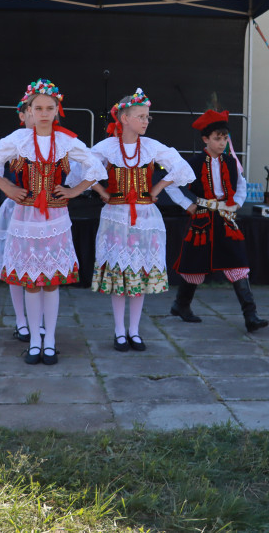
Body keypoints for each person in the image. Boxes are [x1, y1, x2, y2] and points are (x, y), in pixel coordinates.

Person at [0, 79, 103, 365]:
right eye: (38, 107)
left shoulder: (66, 141)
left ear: (58, 110)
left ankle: (50, 340)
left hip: (55, 217)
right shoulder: (18, 140)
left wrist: (74, 191)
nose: (44, 113)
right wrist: (7, 187)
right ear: (28, 110)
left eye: (49, 108)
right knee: (31, 281)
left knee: (51, 282)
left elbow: (96, 166)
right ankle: (33, 340)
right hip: (25, 216)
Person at [91, 88, 195, 352]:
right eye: (141, 116)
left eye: (148, 117)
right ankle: (118, 331)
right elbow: (83, 169)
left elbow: (182, 167)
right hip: (116, 216)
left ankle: (134, 331)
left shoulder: (151, 146)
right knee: (119, 275)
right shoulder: (108, 147)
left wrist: (156, 189)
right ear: (124, 118)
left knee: (138, 273)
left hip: (145, 217)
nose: (146, 121)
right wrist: (102, 192)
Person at [165, 109, 269, 332]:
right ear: (205, 139)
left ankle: (251, 316)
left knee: (238, 264)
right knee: (194, 266)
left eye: (225, 138)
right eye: (217, 139)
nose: (222, 143)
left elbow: (241, 185)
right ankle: (181, 305)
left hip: (226, 219)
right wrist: (188, 205)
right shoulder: (192, 163)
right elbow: (171, 184)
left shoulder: (231, 162)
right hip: (202, 219)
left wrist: (236, 204)